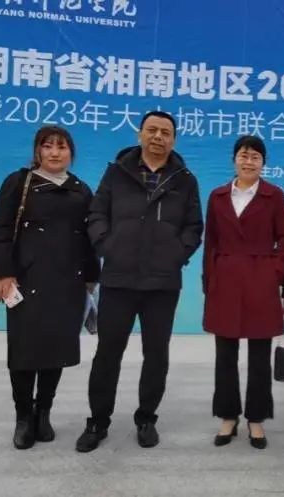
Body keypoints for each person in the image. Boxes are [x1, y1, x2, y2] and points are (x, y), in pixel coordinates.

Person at [75, 111, 203, 452]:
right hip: (119, 279)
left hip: (162, 283)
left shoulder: (185, 180)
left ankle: (146, 418)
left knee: (156, 355)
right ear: (140, 134)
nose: (158, 136)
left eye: (165, 132)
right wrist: (107, 246)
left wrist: (175, 255)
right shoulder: (117, 173)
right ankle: (98, 421)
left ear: (173, 139)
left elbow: (193, 227)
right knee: (108, 353)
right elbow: (97, 214)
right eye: (152, 130)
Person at [0, 125, 100, 449]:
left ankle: (43, 411)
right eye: (48, 146)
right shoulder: (18, 182)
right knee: (24, 351)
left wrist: (91, 279)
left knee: (56, 350)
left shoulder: (81, 190)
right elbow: (1, 230)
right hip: (24, 280)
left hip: (68, 283)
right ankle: (23, 417)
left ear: (71, 153)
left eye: (61, 147)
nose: (54, 152)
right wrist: (2, 273)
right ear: (37, 151)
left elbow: (89, 240)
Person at [203, 135, 284, 450]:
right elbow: (211, 242)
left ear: (263, 163)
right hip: (225, 278)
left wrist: (274, 272)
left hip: (260, 278)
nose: (249, 161)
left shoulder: (274, 195)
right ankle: (228, 416)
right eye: (244, 155)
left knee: (259, 355)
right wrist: (210, 280)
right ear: (234, 159)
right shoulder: (217, 196)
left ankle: (256, 418)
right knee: (225, 354)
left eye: (255, 156)